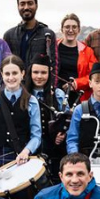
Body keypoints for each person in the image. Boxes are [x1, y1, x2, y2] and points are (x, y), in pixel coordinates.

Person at [0, 54, 41, 169]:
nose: (11, 77)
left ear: (22, 74)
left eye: (15, 73)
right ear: (2, 75)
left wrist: (26, 152)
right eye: (7, 74)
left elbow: (36, 135)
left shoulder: (32, 101)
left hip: (22, 159)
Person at [24, 53, 67, 181]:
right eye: (35, 72)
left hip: (54, 148)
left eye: (43, 72)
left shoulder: (58, 94)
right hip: (28, 147)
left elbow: (67, 118)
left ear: (49, 74)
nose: (39, 76)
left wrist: (63, 133)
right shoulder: (23, 95)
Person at [3, 0, 56, 65]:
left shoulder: (48, 34)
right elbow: (5, 64)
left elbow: (53, 64)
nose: (26, 7)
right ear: (18, 6)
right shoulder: (9, 35)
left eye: (30, 3)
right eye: (22, 4)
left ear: (36, 6)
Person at [56, 13, 97, 102]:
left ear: (79, 30)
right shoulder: (53, 47)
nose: (70, 30)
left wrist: (77, 83)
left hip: (79, 98)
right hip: (55, 96)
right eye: (67, 27)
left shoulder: (87, 51)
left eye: (74, 27)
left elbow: (94, 75)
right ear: (61, 29)